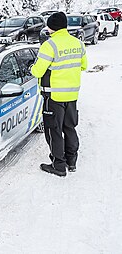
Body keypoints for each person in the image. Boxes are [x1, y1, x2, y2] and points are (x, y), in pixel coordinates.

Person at [30, 12, 87, 177]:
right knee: (70, 127)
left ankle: (59, 166)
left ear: (51, 27)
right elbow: (84, 66)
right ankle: (72, 161)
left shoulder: (50, 45)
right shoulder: (78, 43)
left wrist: (31, 69)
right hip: (72, 95)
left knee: (54, 130)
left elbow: (38, 71)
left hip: (54, 96)